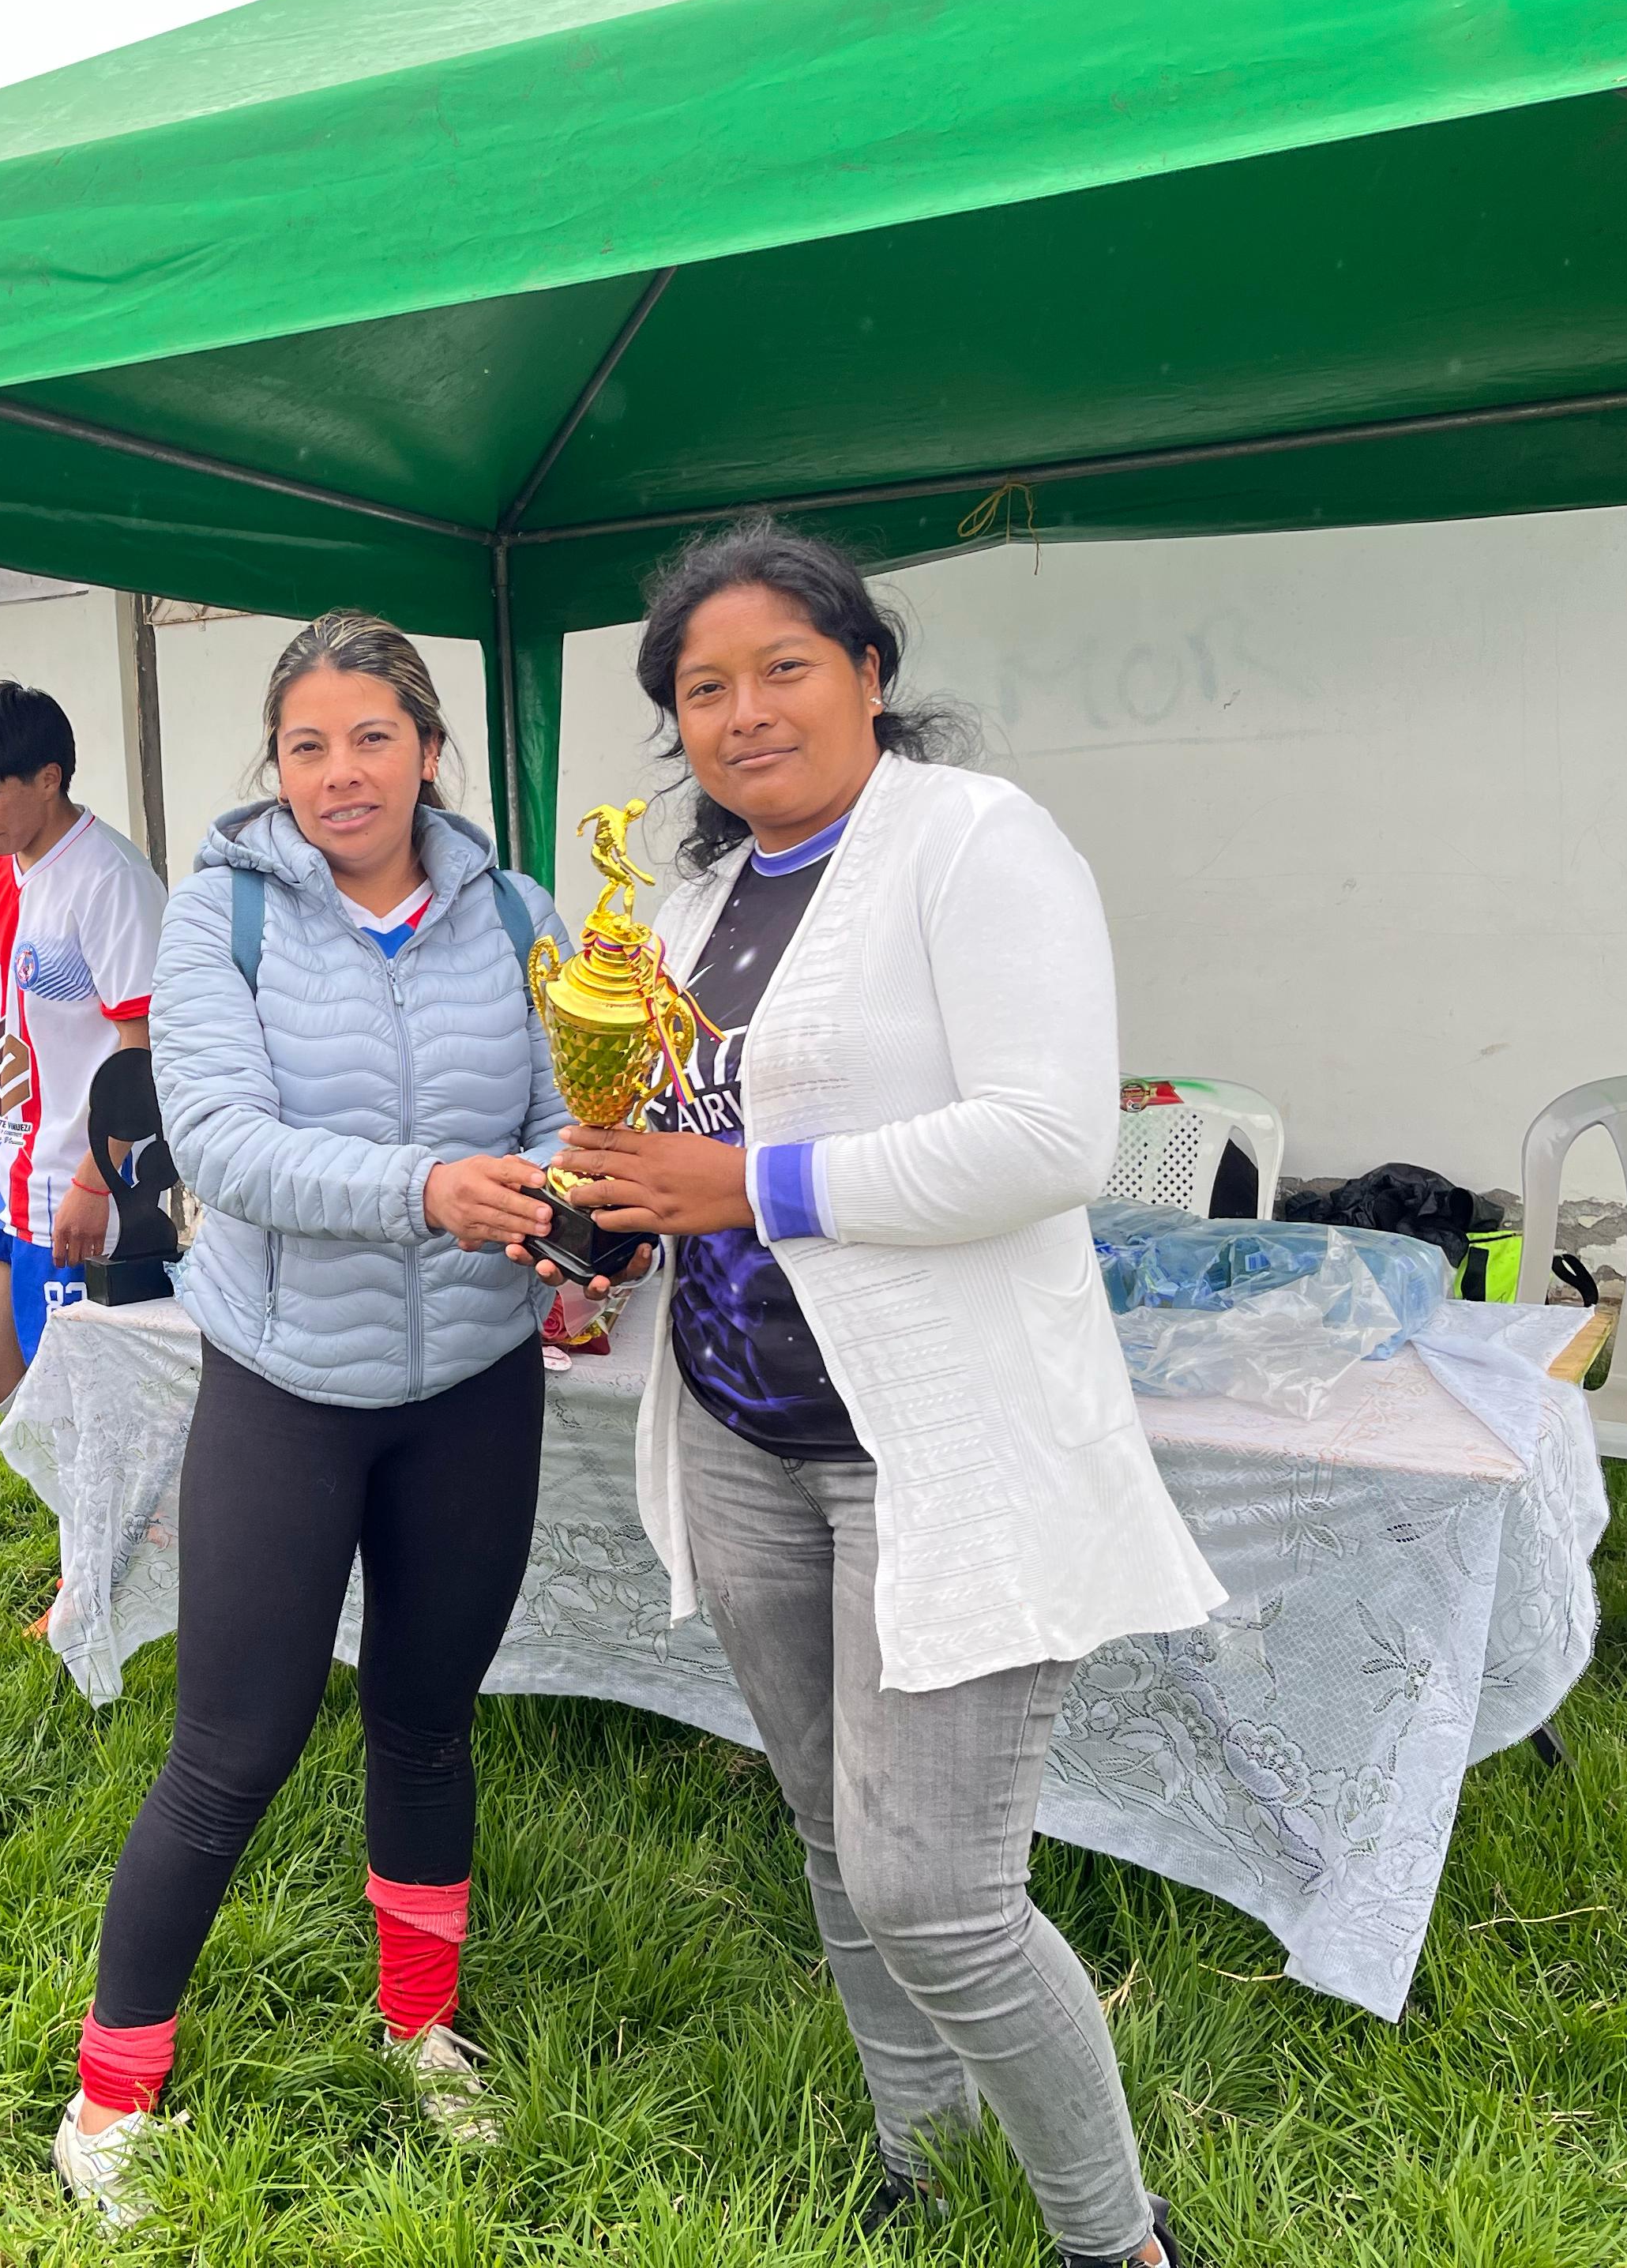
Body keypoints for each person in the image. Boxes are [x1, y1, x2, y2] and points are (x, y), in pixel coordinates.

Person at [536, 523, 1223, 2268]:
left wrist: (745, 1186)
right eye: (704, 688)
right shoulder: (689, 906)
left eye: (783, 667)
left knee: (941, 1892)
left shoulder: (974, 844)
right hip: (742, 1427)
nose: (745, 712)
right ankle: (922, 2157)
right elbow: (681, 1147)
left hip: (936, 1447)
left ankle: (1114, 2238)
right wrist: (604, 1216)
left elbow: (1048, 1139)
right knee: (837, 1840)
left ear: (867, 672)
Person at [53, 611, 571, 2224]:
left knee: (426, 1719)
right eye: (306, 745)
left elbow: (565, 1113)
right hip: (288, 1386)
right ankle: (110, 2094)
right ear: (274, 766)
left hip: (475, 1381)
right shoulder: (223, 913)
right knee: (233, 1747)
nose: (341, 772)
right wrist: (434, 1188)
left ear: (429, 749)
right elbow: (219, 1141)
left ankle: (418, 2026)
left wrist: (575, 1216)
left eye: (371, 737)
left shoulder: (522, 914)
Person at [0, 680, 166, 1408]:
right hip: (2, 1167)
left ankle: (125, 1493)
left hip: (75, 1180)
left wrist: (98, 1182)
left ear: (48, 778)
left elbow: (144, 1043)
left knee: (80, 1406)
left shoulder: (110, 879)